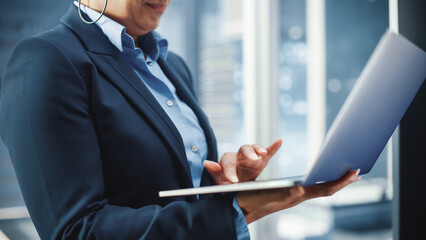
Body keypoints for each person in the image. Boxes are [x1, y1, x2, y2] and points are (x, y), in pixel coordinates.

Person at [0, 0, 360, 239]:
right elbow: (77, 231)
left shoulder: (171, 66)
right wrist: (238, 207)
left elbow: (181, 199)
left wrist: (230, 189)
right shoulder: (47, 61)